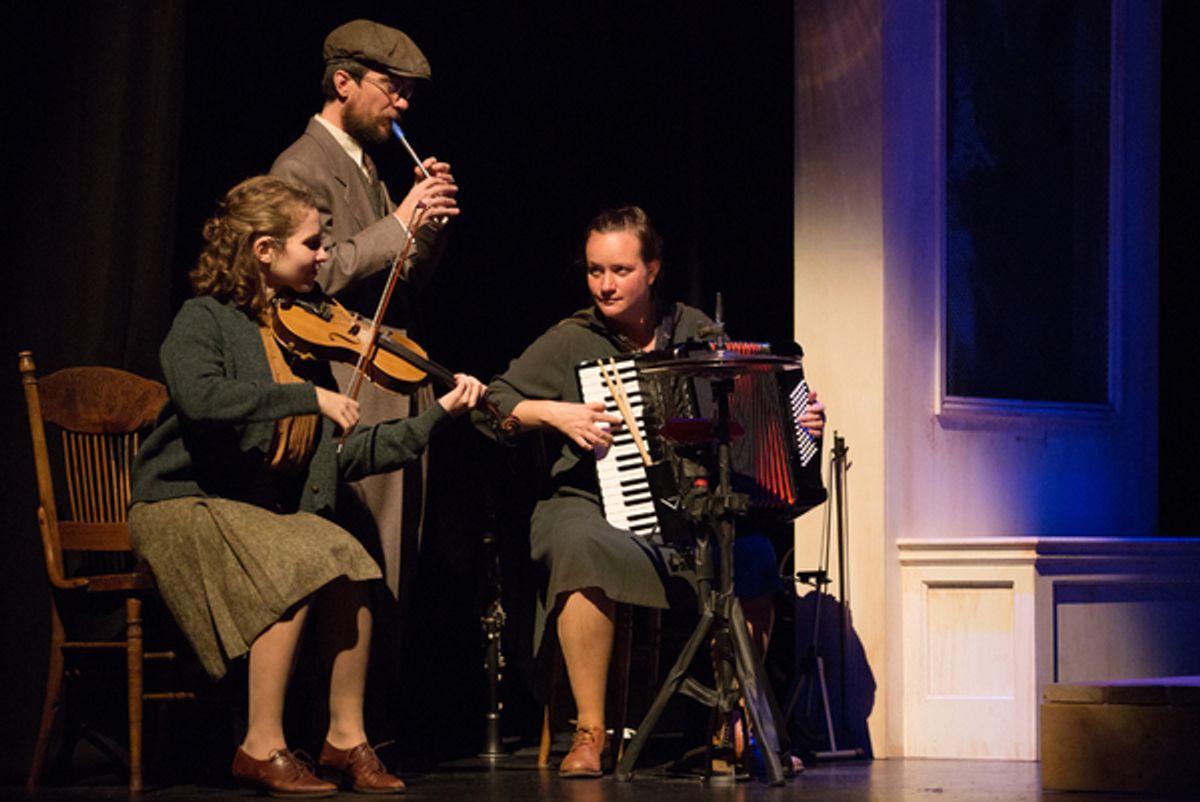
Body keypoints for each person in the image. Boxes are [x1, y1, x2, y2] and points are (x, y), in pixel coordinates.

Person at [128, 175, 485, 796]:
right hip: (184, 505)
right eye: (313, 244)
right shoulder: (203, 319)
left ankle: (345, 738)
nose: (325, 255)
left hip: (249, 511)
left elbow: (345, 456)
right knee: (301, 557)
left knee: (349, 559)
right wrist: (309, 396)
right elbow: (201, 396)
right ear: (263, 251)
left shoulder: (299, 333)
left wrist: (438, 416)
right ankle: (260, 744)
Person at [485, 206, 825, 777]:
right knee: (579, 545)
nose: (605, 284)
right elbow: (493, 403)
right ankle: (590, 732)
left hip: (682, 518)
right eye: (595, 271)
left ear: (653, 270)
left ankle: (730, 724)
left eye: (619, 270)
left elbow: (744, 419)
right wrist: (555, 413)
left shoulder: (694, 331)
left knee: (755, 556)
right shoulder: (573, 341)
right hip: (586, 503)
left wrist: (797, 430)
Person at [271, 18, 458, 599]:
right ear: (345, 82)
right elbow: (314, 275)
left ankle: (378, 694)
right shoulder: (300, 166)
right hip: (352, 381)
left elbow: (402, 281)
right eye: (393, 88)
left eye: (408, 93)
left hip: (393, 371)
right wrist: (401, 218)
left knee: (397, 566)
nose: (402, 105)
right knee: (365, 568)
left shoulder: (366, 166)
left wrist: (428, 224)